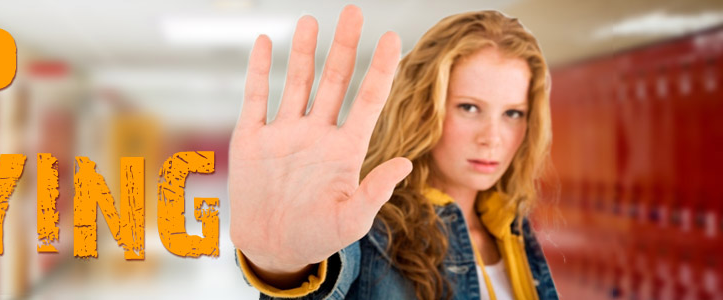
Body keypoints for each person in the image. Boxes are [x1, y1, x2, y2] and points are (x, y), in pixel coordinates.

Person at [229, 5, 558, 300]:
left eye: (513, 113)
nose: (493, 138)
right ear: (422, 110)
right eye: (469, 107)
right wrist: (285, 268)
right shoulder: (369, 225)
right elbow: (327, 274)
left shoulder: (511, 228)